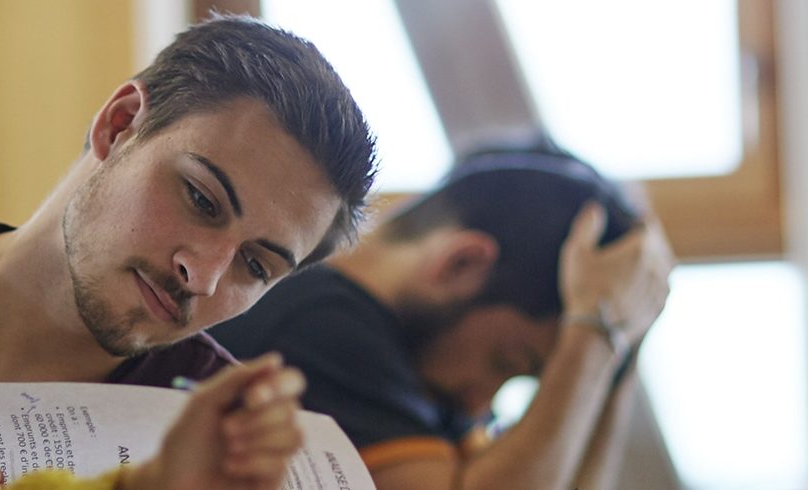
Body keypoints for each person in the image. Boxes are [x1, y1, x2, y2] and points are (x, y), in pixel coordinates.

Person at [0, 15, 379, 431]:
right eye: (201, 200)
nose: (203, 276)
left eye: (255, 265)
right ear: (119, 126)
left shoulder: (219, 435)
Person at [207, 145, 675, 490]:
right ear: (462, 264)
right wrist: (593, 333)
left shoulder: (417, 371)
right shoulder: (320, 322)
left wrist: (622, 340)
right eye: (504, 362)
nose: (481, 404)